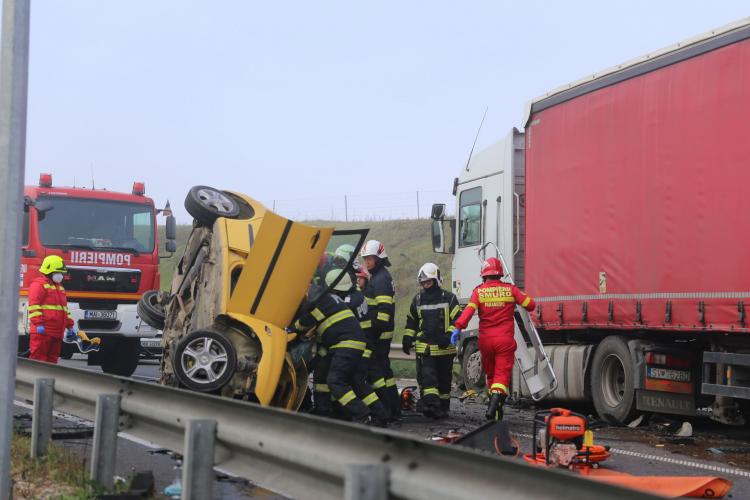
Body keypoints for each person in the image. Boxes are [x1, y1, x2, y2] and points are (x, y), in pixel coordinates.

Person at [293, 273, 387, 426]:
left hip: (346, 344)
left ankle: (361, 414)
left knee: (335, 381)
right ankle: (380, 415)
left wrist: (291, 328)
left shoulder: (321, 302)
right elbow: (326, 346)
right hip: (353, 343)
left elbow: (305, 322)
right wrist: (313, 364)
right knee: (357, 382)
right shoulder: (331, 299)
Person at [451, 257, 535, 421]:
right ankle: (495, 402)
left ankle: (495, 407)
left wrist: (458, 328)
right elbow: (530, 304)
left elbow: (468, 312)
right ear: (500, 273)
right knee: (501, 375)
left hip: (486, 341)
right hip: (504, 341)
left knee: (490, 374)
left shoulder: (479, 292)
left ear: (484, 275)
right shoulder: (510, 290)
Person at [403, 263, 461, 418]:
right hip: (425, 349)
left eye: (429, 282)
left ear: (436, 280)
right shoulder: (418, 300)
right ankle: (431, 406)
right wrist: (407, 337)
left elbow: (458, 320)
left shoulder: (449, 298)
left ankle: (443, 408)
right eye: (424, 283)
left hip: (445, 349)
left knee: (444, 382)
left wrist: (448, 336)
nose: (426, 285)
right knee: (428, 380)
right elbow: (411, 322)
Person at [360, 240, 400, 419]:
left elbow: (384, 312)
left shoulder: (381, 279)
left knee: (377, 372)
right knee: (385, 372)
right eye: (365, 258)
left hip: (379, 334)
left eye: (370, 258)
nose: (367, 262)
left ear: (379, 258)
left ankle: (386, 410)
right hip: (381, 333)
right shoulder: (379, 276)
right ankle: (393, 408)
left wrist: (372, 334)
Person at [28, 255, 75, 364]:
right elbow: (34, 306)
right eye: (58, 272)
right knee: (38, 360)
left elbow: (64, 310)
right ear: (49, 271)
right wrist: (38, 324)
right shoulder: (39, 285)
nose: (61, 275)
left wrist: (70, 326)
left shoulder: (60, 287)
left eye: (62, 273)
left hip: (57, 332)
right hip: (43, 331)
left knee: (52, 361)